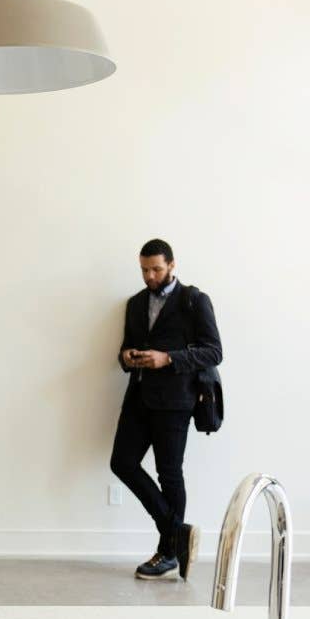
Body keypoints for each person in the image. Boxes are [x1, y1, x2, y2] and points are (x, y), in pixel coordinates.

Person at [112, 239, 222, 581]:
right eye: (144, 269)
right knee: (122, 463)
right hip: (139, 397)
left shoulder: (194, 300)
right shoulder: (135, 303)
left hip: (176, 402)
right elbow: (125, 348)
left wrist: (168, 358)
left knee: (169, 473)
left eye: (156, 269)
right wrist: (127, 357)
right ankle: (178, 533)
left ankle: (169, 551)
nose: (150, 275)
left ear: (172, 265)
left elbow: (214, 351)